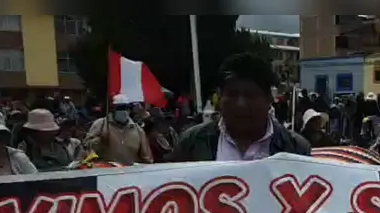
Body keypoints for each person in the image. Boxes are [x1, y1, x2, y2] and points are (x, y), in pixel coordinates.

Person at [170, 53, 310, 162]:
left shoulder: (296, 148)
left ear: (269, 99)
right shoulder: (191, 142)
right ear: (220, 98)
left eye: (250, 95)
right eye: (232, 94)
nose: (240, 104)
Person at [84, 94, 153, 165]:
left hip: (130, 172)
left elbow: (147, 157)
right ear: (113, 109)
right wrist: (99, 140)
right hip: (106, 172)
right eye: (120, 108)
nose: (123, 110)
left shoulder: (138, 130)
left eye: (126, 108)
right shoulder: (101, 125)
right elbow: (87, 147)